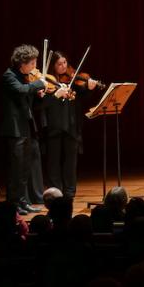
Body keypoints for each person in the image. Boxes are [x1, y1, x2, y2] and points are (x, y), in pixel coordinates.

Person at [1, 44, 66, 214]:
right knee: (15, 170)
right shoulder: (9, 76)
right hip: (14, 129)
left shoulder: (26, 78)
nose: (35, 67)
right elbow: (21, 90)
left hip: (27, 127)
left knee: (24, 169)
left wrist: (50, 96)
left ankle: (23, 201)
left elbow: (36, 106)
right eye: (32, 63)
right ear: (22, 63)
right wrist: (38, 84)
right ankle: (14, 204)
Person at [41, 51, 100, 200]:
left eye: (65, 63)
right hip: (54, 125)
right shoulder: (47, 82)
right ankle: (55, 193)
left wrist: (90, 88)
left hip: (71, 124)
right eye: (59, 64)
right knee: (53, 162)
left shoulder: (73, 80)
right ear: (53, 66)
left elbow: (83, 96)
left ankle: (69, 192)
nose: (63, 67)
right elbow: (42, 104)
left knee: (71, 162)